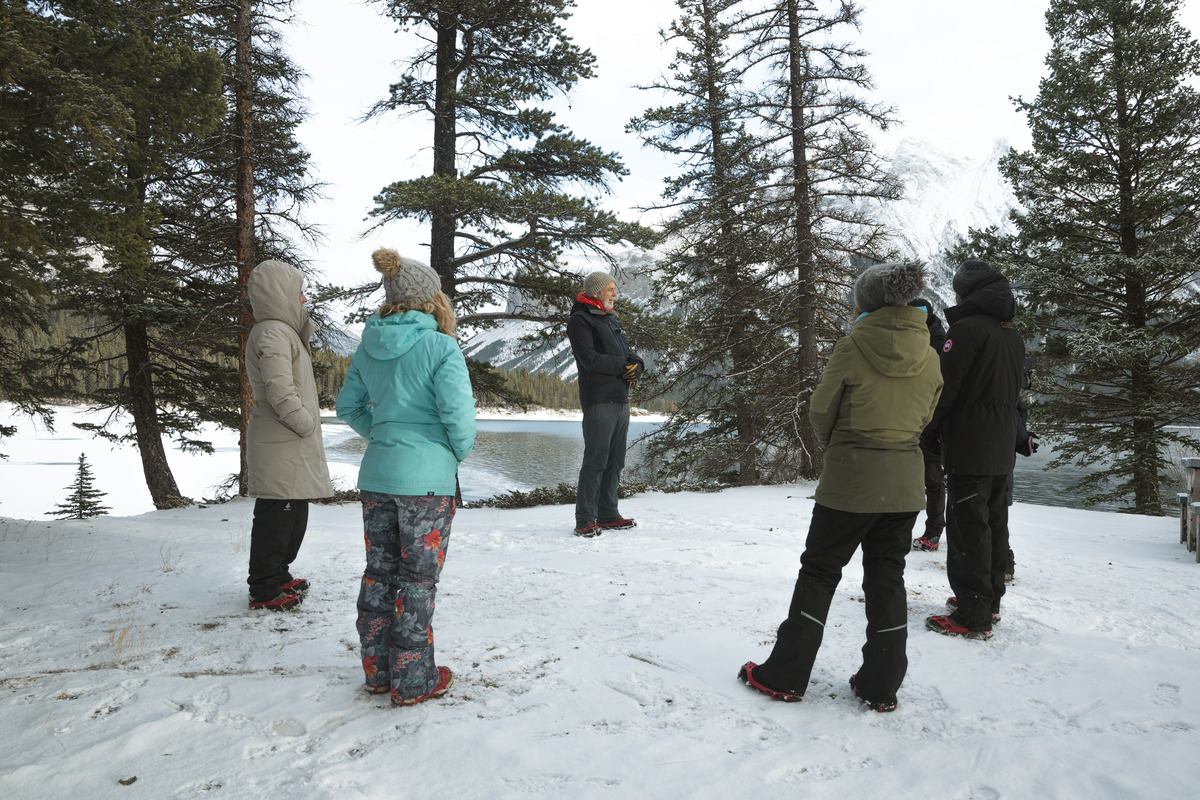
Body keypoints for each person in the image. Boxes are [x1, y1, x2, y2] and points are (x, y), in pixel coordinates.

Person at [738, 262, 942, 713]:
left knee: (819, 572)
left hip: (851, 480)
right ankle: (881, 685)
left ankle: (786, 675)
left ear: (864, 302)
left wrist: (842, 447)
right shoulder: (929, 352)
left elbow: (821, 409)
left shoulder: (853, 345)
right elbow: (929, 413)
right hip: (904, 485)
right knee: (887, 578)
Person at [336, 248, 476, 706]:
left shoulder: (368, 346)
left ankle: (377, 672)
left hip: (377, 475)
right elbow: (459, 418)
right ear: (431, 297)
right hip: (426, 483)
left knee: (379, 573)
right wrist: (450, 454)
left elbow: (347, 408)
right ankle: (413, 680)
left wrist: (384, 435)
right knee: (417, 580)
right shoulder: (440, 345)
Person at [923, 259, 1025, 640]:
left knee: (968, 529)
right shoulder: (1011, 334)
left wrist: (928, 433)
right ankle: (989, 600)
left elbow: (943, 390)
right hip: (1000, 445)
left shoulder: (965, 331)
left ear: (966, 291)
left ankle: (972, 613)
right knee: (995, 524)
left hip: (969, 443)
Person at [244, 259, 334, 611]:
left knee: (292, 513)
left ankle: (279, 574)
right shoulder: (272, 332)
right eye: (298, 292)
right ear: (280, 294)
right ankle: (264, 589)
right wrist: (304, 422)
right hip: (281, 440)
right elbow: (279, 388)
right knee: (276, 515)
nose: (304, 298)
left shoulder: (282, 332)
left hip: (288, 442)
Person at [566, 270, 645, 537]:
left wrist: (638, 364)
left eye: (614, 288)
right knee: (596, 459)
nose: (615, 292)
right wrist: (623, 366)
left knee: (615, 461)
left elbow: (627, 354)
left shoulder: (610, 319)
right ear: (597, 291)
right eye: (610, 288)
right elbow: (588, 359)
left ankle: (608, 514)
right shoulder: (580, 320)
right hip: (598, 399)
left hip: (621, 398)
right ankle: (585, 519)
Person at [908, 297, 948, 552]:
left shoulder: (937, 343)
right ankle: (927, 530)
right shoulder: (929, 337)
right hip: (919, 418)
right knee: (920, 479)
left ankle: (933, 532)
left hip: (931, 422)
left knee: (932, 480)